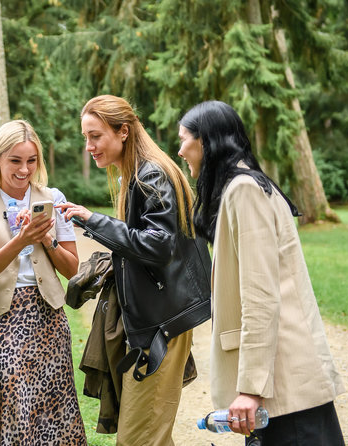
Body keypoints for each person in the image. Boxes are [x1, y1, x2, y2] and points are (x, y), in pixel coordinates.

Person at [178, 100, 346, 445]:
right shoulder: (245, 188)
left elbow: (260, 296)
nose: (180, 151)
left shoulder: (244, 192)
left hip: (282, 390)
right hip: (280, 385)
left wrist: (252, 389)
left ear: (206, 142)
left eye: (184, 140)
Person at [59, 95, 212, 446]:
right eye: (86, 138)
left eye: (95, 136)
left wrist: (91, 220)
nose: (89, 146)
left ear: (123, 131)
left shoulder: (151, 174)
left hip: (161, 326)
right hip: (154, 323)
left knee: (138, 439)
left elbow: (158, 245)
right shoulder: (137, 175)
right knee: (150, 434)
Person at [0, 119, 87, 445]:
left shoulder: (52, 197)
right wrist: (21, 240)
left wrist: (47, 239)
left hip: (48, 317)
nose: (24, 169)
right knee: (16, 412)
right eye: (15, 161)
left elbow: (73, 269)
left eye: (31, 161)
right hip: (2, 320)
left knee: (55, 410)